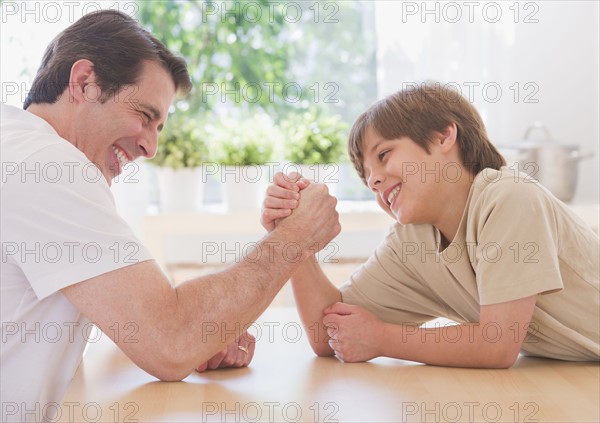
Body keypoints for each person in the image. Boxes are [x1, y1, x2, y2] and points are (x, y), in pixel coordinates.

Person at [0, 10, 340, 420]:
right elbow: (170, 339)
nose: (150, 148)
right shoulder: (51, 165)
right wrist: (296, 236)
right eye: (145, 117)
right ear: (85, 82)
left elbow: (149, 326)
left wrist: (197, 333)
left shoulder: (20, 148)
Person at [262, 82, 599, 368]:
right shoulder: (412, 241)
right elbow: (329, 335)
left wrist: (382, 339)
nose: (375, 181)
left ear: (443, 136)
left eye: (383, 155)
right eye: (366, 177)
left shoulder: (509, 198)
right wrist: (295, 239)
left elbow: (498, 344)